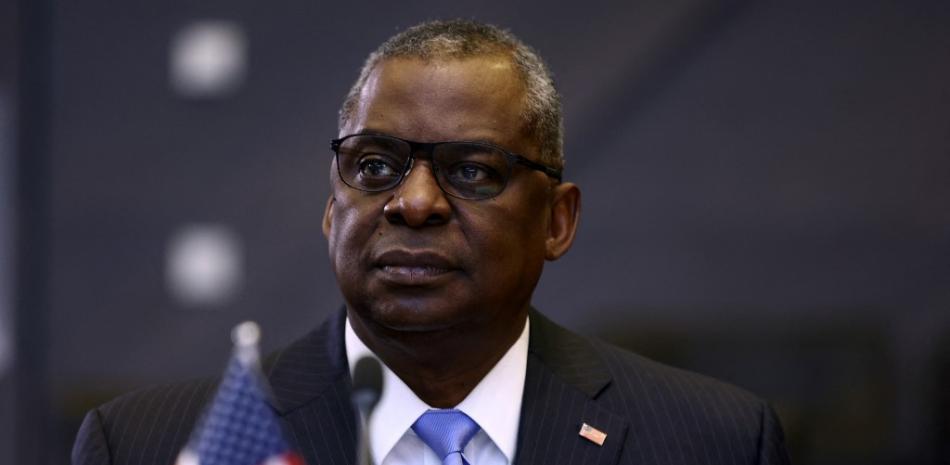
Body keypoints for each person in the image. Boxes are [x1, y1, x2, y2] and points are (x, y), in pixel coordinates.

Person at [72, 20, 791, 465]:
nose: (414, 202)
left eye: (472, 171)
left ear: (557, 221)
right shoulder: (151, 445)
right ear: (332, 210)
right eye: (375, 166)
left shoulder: (710, 440)